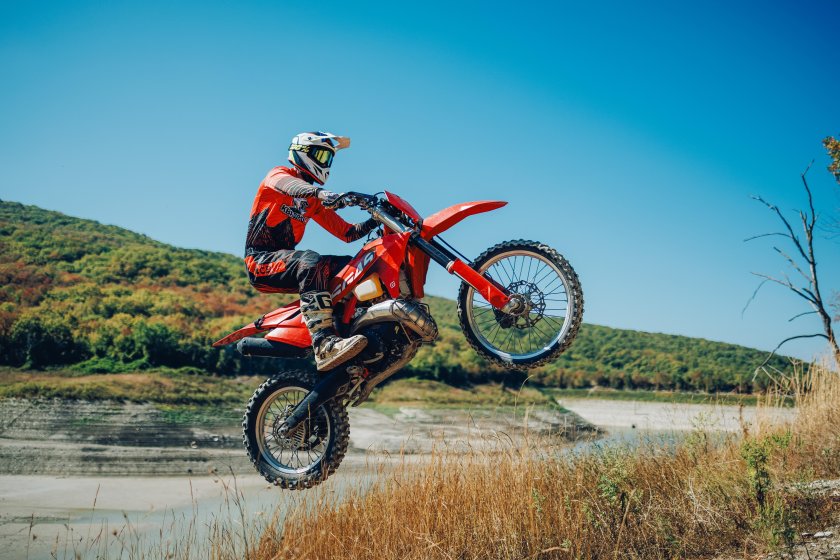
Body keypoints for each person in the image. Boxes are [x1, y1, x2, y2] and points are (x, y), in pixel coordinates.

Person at [244, 132, 378, 371]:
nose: (326, 164)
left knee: (356, 264)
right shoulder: (279, 175)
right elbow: (288, 185)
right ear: (303, 153)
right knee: (310, 260)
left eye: (329, 159)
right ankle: (323, 343)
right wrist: (321, 193)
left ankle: (353, 328)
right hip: (260, 261)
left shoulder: (312, 202)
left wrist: (376, 219)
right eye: (322, 156)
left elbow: (347, 233)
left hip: (289, 262)